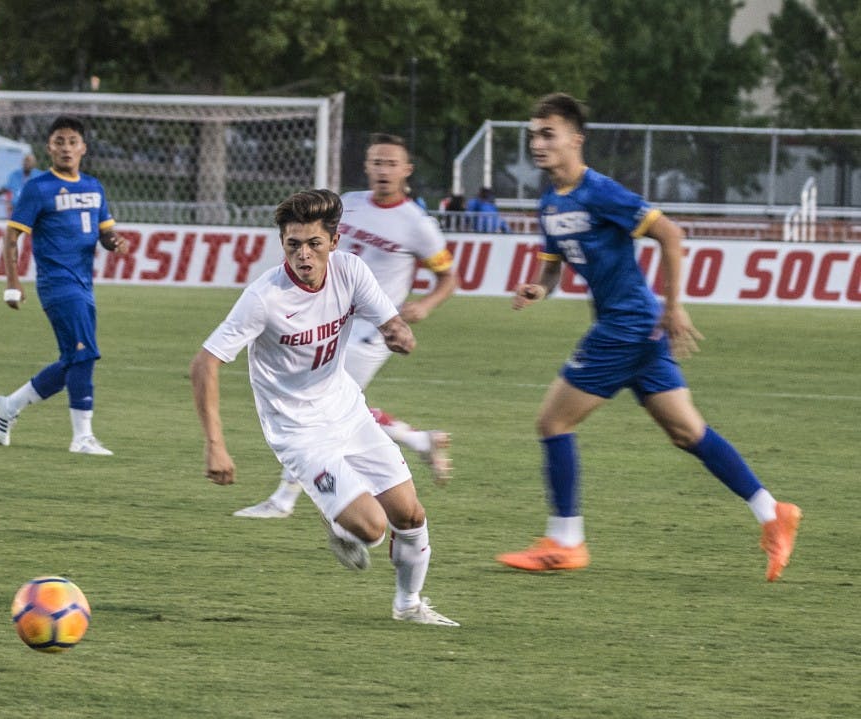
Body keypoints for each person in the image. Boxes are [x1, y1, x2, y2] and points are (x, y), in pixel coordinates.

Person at [495, 93, 801, 582]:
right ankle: (772, 512)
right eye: (533, 134)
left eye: (548, 133)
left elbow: (672, 235)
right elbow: (552, 267)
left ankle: (566, 541)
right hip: (637, 330)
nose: (537, 143)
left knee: (552, 422)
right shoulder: (550, 202)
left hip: (625, 326)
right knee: (687, 432)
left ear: (576, 138)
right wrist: (538, 287)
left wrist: (674, 304)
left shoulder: (601, 191)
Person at [191, 188, 459, 626]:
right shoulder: (264, 298)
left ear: (334, 243)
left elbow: (387, 318)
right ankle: (339, 525)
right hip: (298, 431)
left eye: (314, 244)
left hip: (347, 410)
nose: (304, 255)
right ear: (282, 245)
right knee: (371, 528)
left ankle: (409, 606)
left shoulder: (351, 271)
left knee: (410, 514)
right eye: (293, 244)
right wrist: (215, 445)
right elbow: (205, 364)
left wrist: (398, 332)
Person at [234, 133, 457, 519]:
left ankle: (284, 499)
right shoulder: (348, 206)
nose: (383, 170)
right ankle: (421, 441)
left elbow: (448, 277)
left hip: (372, 331)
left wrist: (425, 305)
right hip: (329, 321)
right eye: (376, 162)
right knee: (338, 409)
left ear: (406, 170)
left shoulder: (417, 224)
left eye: (391, 163)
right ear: (367, 166)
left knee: (315, 408)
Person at [0, 116, 127, 455]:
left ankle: (9, 406)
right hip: (57, 284)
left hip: (84, 284)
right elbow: (11, 236)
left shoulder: (94, 187)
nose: (66, 147)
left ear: (83, 148)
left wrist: (114, 242)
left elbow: (104, 233)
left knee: (74, 359)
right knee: (84, 353)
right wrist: (13, 281)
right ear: (49, 148)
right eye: (59, 141)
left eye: (72, 141)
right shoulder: (38, 188)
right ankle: (82, 437)